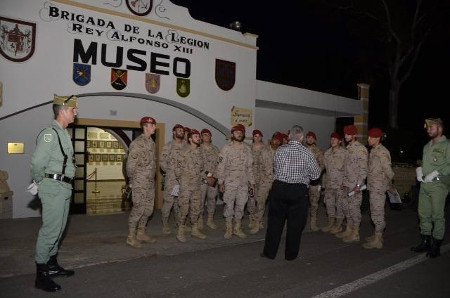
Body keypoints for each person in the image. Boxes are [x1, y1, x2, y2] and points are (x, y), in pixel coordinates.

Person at [30, 94, 78, 292]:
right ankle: (41, 275)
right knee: (50, 231)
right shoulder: (50, 133)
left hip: (64, 188)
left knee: (59, 230)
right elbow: (37, 163)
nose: (75, 112)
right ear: (63, 111)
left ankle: (51, 265)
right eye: (73, 109)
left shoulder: (64, 133)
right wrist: (40, 182)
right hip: (53, 188)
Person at [261, 125, 321, 260]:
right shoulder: (307, 153)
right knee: (295, 225)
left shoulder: (280, 150)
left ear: (289, 137)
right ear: (302, 138)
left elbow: (275, 168)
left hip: (279, 189)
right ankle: (290, 255)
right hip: (298, 191)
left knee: (275, 222)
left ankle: (269, 253)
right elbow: (316, 175)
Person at [411, 118, 450, 258]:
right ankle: (425, 242)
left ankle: (436, 246)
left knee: (437, 216)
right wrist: (420, 169)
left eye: (431, 127)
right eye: (427, 127)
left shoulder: (447, 145)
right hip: (425, 184)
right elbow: (425, 163)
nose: (428, 129)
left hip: (439, 184)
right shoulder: (427, 146)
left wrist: (437, 172)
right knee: (423, 214)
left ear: (440, 128)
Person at [217, 124, 255, 239]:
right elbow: (220, 166)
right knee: (229, 205)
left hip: (243, 183)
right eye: (237, 132)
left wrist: (252, 183)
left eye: (241, 132)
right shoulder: (226, 148)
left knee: (241, 205)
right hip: (229, 182)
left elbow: (250, 168)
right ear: (232, 134)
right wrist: (221, 182)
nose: (239, 134)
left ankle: (237, 228)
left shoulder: (247, 149)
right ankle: (229, 228)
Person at [125, 116, 158, 248]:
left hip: (150, 182)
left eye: (154, 125)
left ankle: (141, 232)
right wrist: (132, 181)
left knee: (148, 210)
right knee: (138, 209)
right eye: (152, 125)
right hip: (139, 182)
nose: (154, 127)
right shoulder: (136, 144)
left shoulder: (152, 143)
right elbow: (130, 165)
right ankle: (131, 237)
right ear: (145, 127)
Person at [363, 128, 394, 249]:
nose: (368, 139)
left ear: (377, 138)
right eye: (368, 137)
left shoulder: (382, 152)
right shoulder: (374, 150)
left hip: (378, 188)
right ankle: (377, 235)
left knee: (378, 213)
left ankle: (378, 240)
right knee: (374, 211)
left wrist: (387, 184)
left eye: (371, 137)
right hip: (373, 186)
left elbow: (389, 172)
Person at [337, 125, 368, 243]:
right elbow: (346, 168)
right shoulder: (348, 148)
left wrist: (359, 186)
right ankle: (349, 229)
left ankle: (356, 233)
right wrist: (343, 182)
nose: (345, 136)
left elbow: (363, 169)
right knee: (347, 208)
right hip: (347, 184)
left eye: (348, 134)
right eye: (345, 134)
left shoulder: (361, 149)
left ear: (354, 135)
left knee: (354, 209)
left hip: (355, 185)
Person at [177, 129, 208, 242]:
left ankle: (194, 229)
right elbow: (177, 169)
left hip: (197, 186)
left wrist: (208, 177)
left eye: (199, 136)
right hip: (185, 186)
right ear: (190, 139)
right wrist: (183, 180)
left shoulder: (200, 152)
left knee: (196, 208)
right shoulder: (183, 151)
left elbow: (203, 169)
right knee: (184, 209)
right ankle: (180, 231)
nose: (198, 138)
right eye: (196, 136)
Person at [160, 124, 188, 234]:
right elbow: (162, 163)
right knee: (169, 202)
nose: (181, 132)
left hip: (184, 181)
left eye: (182, 130)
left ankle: (179, 223)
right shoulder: (168, 146)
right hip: (172, 181)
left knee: (180, 203)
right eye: (178, 130)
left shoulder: (187, 146)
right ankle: (165, 224)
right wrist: (171, 172)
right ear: (174, 132)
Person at [248, 129, 273, 234]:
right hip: (252, 180)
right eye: (255, 136)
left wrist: (270, 182)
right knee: (251, 201)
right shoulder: (249, 149)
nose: (257, 138)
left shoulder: (266, 150)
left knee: (261, 202)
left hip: (263, 181)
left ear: (261, 137)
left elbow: (269, 167)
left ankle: (258, 223)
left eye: (259, 136)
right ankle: (253, 219)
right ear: (253, 138)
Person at [322, 132, 347, 233]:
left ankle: (339, 225)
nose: (332, 140)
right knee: (329, 204)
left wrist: (345, 183)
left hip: (340, 184)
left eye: (335, 139)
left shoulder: (344, 153)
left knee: (339, 205)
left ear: (340, 141)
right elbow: (324, 169)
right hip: (329, 184)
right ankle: (331, 223)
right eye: (331, 139)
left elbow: (348, 169)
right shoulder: (327, 153)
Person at [199, 128, 220, 229]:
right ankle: (199, 220)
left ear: (211, 137)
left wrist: (214, 177)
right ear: (201, 137)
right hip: (202, 180)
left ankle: (210, 219)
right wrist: (208, 176)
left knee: (212, 199)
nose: (206, 136)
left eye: (208, 135)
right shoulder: (198, 149)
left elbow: (219, 165)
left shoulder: (216, 149)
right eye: (204, 135)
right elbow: (197, 166)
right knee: (200, 200)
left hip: (213, 180)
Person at [304, 131, 325, 231]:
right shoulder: (301, 150)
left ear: (315, 140)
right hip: (302, 181)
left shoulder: (318, 151)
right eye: (308, 137)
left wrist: (316, 175)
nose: (309, 139)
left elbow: (322, 165)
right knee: (301, 203)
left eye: (312, 138)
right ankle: (300, 222)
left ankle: (313, 222)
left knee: (314, 203)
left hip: (314, 182)